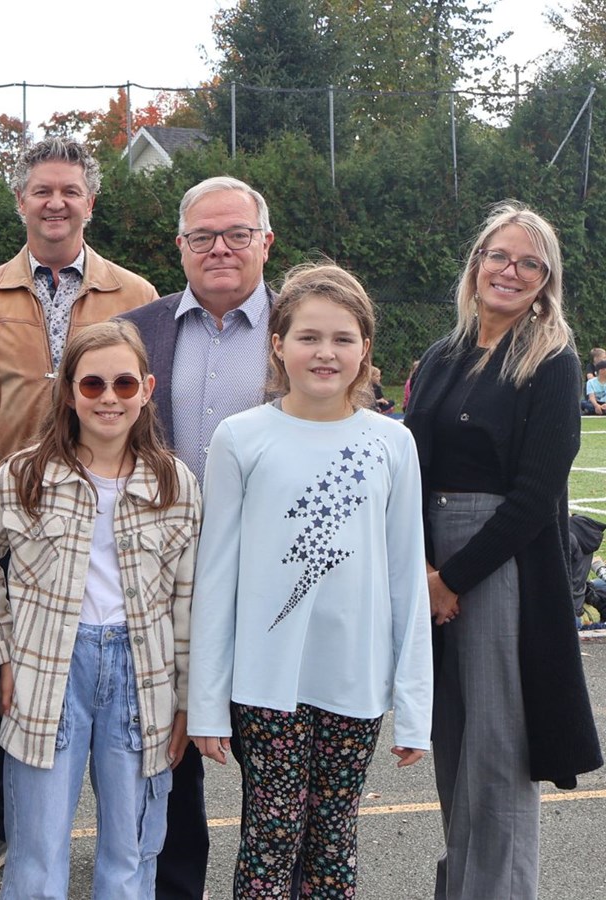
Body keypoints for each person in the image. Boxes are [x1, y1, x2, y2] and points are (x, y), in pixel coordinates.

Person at [188, 263, 433, 898]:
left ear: (365, 351)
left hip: (355, 679)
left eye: (343, 339)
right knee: (270, 835)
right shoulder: (241, 437)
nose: (325, 353)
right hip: (266, 682)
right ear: (278, 344)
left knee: (333, 839)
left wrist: (414, 707)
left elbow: (406, 576)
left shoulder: (391, 444)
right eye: (308, 337)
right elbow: (216, 580)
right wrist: (208, 701)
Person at [0, 136, 158, 881]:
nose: (56, 202)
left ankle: (118, 845)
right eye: (42, 189)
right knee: (7, 679)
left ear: (90, 202)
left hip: (100, 508)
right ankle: (2, 824)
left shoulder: (135, 294)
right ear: (21, 201)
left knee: (100, 697)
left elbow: (136, 392)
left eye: (70, 190)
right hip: (11, 512)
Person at [404, 202, 602, 900]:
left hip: (498, 567)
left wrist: (452, 576)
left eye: (529, 262)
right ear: (476, 263)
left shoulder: (552, 360)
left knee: (496, 757)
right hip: (428, 562)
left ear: (545, 279)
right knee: (452, 748)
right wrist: (423, 569)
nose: (510, 271)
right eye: (499, 255)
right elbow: (410, 466)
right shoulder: (443, 354)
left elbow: (535, 496)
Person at [0, 320, 200, 900]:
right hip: (48, 669)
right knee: (38, 847)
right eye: (93, 384)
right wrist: (3, 654)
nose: (108, 398)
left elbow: (186, 598)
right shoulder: (24, 478)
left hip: (140, 673)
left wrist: (184, 696)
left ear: (148, 389)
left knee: (130, 846)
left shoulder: (174, 483)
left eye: (124, 385)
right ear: (69, 392)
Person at [116, 175, 278, 900]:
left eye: (237, 234)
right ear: (179, 248)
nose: (220, 248)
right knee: (170, 760)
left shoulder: (302, 327)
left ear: (264, 242)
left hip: (273, 582)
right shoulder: (140, 331)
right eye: (203, 236)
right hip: (165, 586)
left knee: (272, 766)